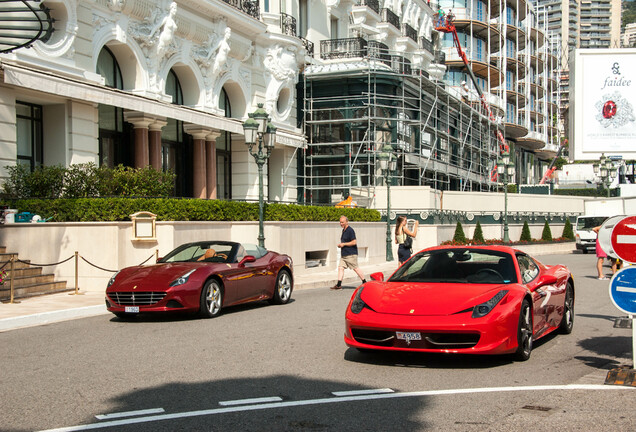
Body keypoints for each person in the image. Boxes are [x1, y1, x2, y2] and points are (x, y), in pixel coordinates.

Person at [331, 215, 367, 290]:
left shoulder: (350, 230)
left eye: (342, 222)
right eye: (340, 222)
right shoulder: (344, 230)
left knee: (355, 268)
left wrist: (343, 244)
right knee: (340, 268)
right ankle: (338, 285)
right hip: (344, 254)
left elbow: (354, 242)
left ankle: (365, 282)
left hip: (351, 254)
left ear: (347, 222)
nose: (341, 224)